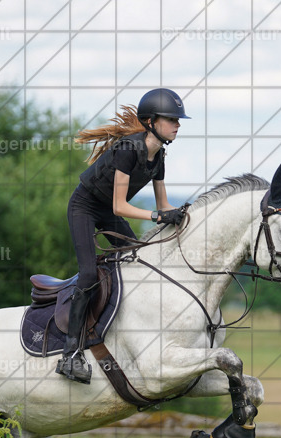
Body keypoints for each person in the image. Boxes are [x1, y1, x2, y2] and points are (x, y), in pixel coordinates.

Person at [56, 88, 191, 383]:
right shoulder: (128, 150)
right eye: (172, 119)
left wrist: (181, 216)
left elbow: (163, 205)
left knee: (138, 262)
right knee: (89, 274)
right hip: (85, 207)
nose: (178, 124)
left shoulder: (159, 156)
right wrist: (157, 217)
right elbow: (121, 205)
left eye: (178, 120)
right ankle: (69, 355)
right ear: (151, 121)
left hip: (108, 211)